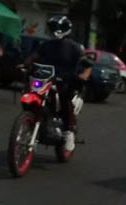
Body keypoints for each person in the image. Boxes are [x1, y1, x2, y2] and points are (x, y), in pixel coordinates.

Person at [23, 15, 92, 152]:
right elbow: (33, 57)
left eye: (58, 27)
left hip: (65, 82)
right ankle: (32, 124)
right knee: (31, 92)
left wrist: (83, 75)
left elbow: (87, 64)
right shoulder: (46, 45)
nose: (55, 30)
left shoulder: (74, 46)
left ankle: (68, 132)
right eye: (53, 27)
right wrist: (25, 64)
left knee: (65, 101)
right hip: (47, 80)